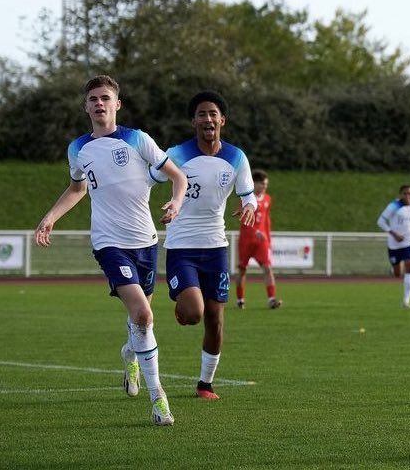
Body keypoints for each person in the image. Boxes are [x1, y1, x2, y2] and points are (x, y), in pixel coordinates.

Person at [34, 75, 186, 426]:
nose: (99, 103)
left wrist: (176, 203)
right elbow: (77, 189)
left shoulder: (137, 139)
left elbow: (179, 178)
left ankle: (129, 353)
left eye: (105, 98)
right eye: (93, 99)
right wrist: (49, 217)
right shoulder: (78, 149)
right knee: (144, 316)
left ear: (117, 104)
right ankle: (158, 398)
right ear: (85, 106)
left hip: (146, 242)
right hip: (108, 243)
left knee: (141, 317)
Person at [158, 91, 257, 401]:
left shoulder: (236, 157)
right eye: (201, 114)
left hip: (216, 247)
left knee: (216, 318)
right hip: (182, 246)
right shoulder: (176, 154)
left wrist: (250, 205)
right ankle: (184, 308)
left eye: (213, 114)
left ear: (222, 120)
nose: (208, 119)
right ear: (194, 121)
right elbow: (148, 177)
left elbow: (248, 194)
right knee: (195, 313)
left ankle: (205, 384)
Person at [236, 169, 281, 310]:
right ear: (254, 183)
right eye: (262, 183)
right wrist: (255, 231)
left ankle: (272, 299)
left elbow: (266, 220)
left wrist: (268, 238)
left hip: (262, 241)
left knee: (268, 268)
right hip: (246, 239)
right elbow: (243, 218)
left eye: (266, 184)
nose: (264, 186)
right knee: (243, 270)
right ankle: (240, 299)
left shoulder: (267, 199)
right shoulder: (246, 198)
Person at [377, 185, 410, 308]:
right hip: (394, 243)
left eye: (409, 193)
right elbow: (381, 221)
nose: (407, 196)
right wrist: (393, 233)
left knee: (409, 267)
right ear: (400, 195)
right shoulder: (393, 206)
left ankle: (406, 300)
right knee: (398, 273)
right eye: (405, 193)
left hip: (409, 241)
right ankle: (394, 269)